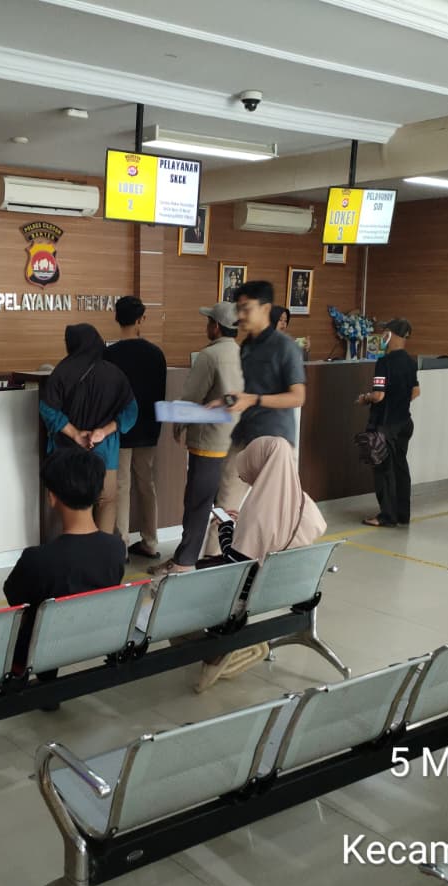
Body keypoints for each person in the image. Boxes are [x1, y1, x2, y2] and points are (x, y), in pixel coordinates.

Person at [0, 447, 127, 736]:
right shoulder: (116, 548)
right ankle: (47, 689)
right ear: (97, 494)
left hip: (34, 648)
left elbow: (15, 598)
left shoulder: (39, 558)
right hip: (82, 640)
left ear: (52, 497)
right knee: (52, 612)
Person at [195, 436, 327, 692]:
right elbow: (279, 535)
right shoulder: (304, 502)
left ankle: (217, 656)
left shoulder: (257, 511)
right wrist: (240, 524)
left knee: (186, 589)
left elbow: (236, 562)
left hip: (249, 599)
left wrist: (225, 529)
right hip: (288, 592)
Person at [209, 281, 306, 554]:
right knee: (224, 506)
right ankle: (213, 562)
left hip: (275, 442)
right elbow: (249, 390)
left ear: (265, 309)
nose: (240, 316)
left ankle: (267, 567)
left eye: (246, 308)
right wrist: (227, 400)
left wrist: (254, 400)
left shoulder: (285, 347)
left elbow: (298, 396)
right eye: (238, 309)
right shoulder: (247, 346)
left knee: (272, 514)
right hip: (243, 436)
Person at [150, 302, 243, 577]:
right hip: (237, 439)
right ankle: (214, 556)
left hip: (209, 440)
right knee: (224, 503)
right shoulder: (244, 354)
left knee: (197, 502)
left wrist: (179, 422)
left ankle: (185, 561)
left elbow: (192, 396)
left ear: (216, 326)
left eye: (209, 322)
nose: (207, 326)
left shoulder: (209, 355)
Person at [40, 324, 137, 536]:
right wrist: (104, 431)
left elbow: (47, 409)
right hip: (105, 454)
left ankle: (64, 552)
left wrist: (75, 433)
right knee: (106, 502)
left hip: (66, 454)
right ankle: (101, 552)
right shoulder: (115, 374)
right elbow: (131, 411)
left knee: (66, 502)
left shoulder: (62, 372)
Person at [104, 297, 167, 560]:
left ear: (117, 318)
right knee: (146, 484)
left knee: (121, 486)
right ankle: (150, 541)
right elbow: (160, 395)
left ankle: (121, 546)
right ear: (141, 319)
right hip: (148, 429)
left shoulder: (109, 355)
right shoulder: (156, 354)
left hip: (119, 429)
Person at [357, 318, 420, 528]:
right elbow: (416, 391)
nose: (382, 335)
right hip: (405, 422)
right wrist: (399, 401)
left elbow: (378, 395)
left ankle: (387, 516)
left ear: (391, 335)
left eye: (385, 332)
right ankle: (402, 514)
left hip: (386, 425)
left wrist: (365, 398)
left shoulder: (384, 363)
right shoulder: (410, 361)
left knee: (384, 470)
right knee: (400, 467)